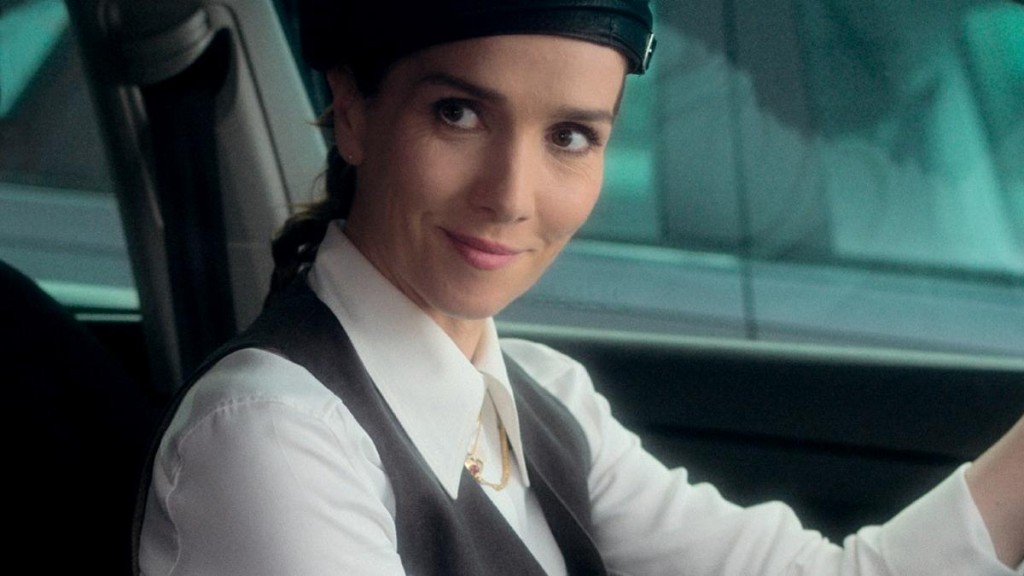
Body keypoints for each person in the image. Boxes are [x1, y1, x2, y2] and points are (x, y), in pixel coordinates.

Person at [136, 1, 1024, 574]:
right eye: (458, 113)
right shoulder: (270, 437)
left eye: (569, 137)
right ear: (354, 112)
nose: (511, 196)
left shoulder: (546, 399)